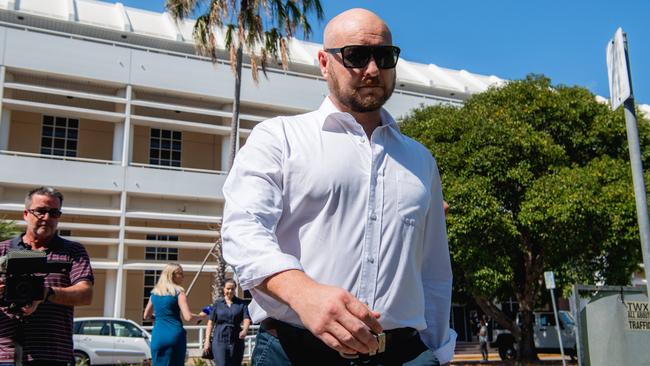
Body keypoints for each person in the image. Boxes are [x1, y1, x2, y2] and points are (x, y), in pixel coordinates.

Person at [221, 8, 455, 366]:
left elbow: (434, 272)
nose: (373, 70)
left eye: (384, 56)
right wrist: (303, 293)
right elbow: (243, 229)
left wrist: (438, 351)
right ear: (324, 63)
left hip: (405, 354)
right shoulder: (279, 138)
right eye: (356, 56)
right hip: (295, 351)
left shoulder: (421, 160)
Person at [0, 186, 94, 365]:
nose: (47, 218)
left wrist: (44, 293)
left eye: (54, 213)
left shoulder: (73, 251)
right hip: (5, 356)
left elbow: (85, 294)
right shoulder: (2, 250)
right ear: (26, 214)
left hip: (54, 355)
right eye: (41, 211)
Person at [143, 263, 199, 366]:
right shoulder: (179, 293)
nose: (183, 276)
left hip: (158, 336)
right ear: (171, 275)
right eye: (180, 273)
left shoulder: (155, 293)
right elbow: (188, 317)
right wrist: (200, 316)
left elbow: (146, 315)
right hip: (174, 335)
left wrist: (157, 317)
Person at [203, 279, 251, 366]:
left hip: (236, 340)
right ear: (223, 289)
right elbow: (210, 323)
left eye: (232, 289)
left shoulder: (242, 304)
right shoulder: (217, 304)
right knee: (222, 364)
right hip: (219, 340)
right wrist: (207, 341)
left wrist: (245, 330)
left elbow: (246, 318)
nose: (230, 291)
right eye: (228, 288)